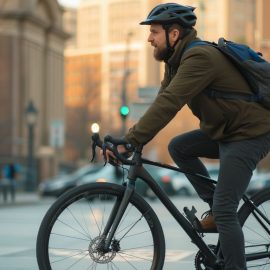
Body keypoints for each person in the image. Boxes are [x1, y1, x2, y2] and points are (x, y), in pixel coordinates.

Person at [105, 3, 270, 270]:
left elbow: (171, 102)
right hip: (227, 129)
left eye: (154, 32)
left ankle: (223, 223)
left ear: (174, 34)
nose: (149, 38)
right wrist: (133, 139)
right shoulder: (175, 63)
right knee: (179, 147)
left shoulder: (199, 58)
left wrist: (132, 140)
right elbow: (161, 103)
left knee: (227, 210)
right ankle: (215, 209)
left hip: (250, 132)